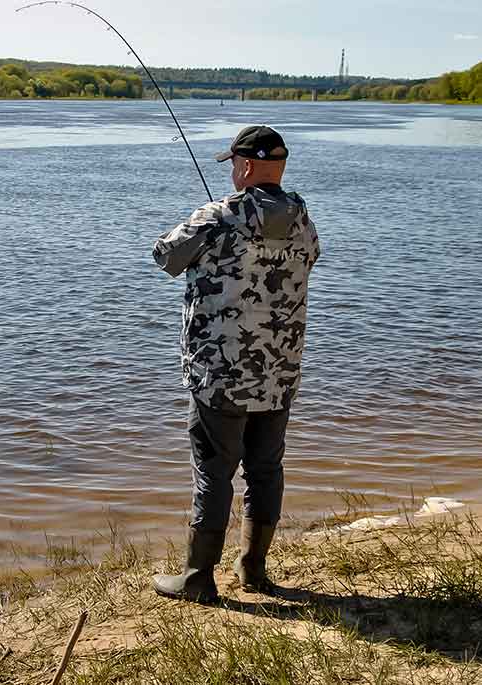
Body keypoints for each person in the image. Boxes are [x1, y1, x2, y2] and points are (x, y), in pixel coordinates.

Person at [150, 125, 320, 603]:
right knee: (266, 469)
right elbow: (311, 259)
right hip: (280, 370)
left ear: (243, 166)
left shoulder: (218, 215)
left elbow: (164, 256)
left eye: (233, 166)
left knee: (213, 471)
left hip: (219, 373)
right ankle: (254, 571)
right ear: (279, 167)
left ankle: (198, 578)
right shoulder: (304, 219)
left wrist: (216, 227)